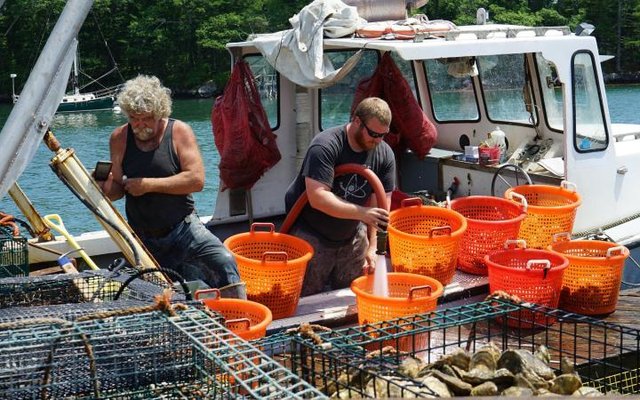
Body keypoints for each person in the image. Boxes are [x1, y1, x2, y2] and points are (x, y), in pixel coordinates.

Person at [100, 75, 245, 298]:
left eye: (146, 118)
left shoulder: (179, 132)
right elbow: (117, 190)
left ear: (160, 113)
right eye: (133, 119)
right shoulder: (119, 138)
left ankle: (238, 317)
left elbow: (196, 180)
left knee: (224, 262)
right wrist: (102, 184)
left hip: (183, 228)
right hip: (142, 236)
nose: (139, 125)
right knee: (149, 294)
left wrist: (148, 185)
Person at [285, 97, 396, 296]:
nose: (378, 141)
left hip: (352, 232)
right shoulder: (325, 146)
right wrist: (363, 213)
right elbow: (318, 197)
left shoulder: (384, 154)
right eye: (373, 134)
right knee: (305, 297)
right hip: (312, 231)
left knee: (350, 296)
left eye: (383, 135)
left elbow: (380, 206)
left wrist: (373, 247)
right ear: (357, 121)